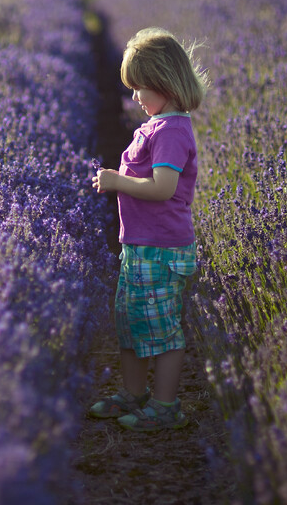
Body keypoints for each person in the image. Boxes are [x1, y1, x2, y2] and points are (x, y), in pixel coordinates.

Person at [88, 26, 208, 431]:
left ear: (166, 84)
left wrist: (118, 181)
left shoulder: (173, 131)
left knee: (161, 329)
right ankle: (134, 394)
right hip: (140, 245)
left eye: (141, 88)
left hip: (162, 248)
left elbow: (163, 188)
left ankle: (165, 405)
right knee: (130, 323)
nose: (135, 97)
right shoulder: (158, 126)